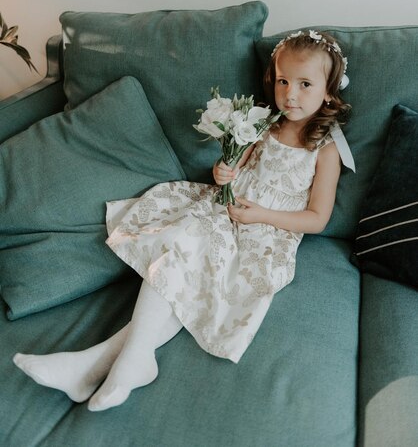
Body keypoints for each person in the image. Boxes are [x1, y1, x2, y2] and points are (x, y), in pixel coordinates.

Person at [13, 30, 355, 412]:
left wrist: (260, 214)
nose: (290, 94)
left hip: (268, 233)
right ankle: (121, 362)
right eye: (283, 81)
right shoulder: (263, 125)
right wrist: (224, 171)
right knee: (184, 241)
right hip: (222, 211)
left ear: (328, 91)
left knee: (194, 254)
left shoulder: (324, 151)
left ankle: (98, 363)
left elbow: (317, 219)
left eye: (305, 84)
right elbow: (230, 167)